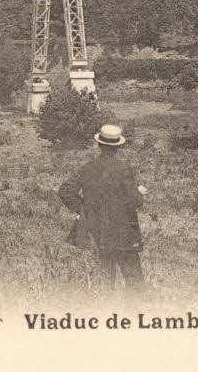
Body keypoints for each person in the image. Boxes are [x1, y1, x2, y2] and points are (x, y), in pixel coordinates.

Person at [59, 124, 146, 291]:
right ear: (119, 147)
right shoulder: (123, 170)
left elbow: (65, 191)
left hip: (96, 231)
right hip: (122, 233)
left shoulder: (88, 168)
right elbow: (134, 202)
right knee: (134, 280)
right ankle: (134, 314)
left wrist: (85, 211)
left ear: (99, 144)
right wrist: (139, 193)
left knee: (104, 280)